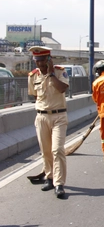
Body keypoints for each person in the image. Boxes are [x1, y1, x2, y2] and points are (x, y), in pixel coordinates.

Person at [27, 46, 69, 198]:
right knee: (46, 151)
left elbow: (63, 88)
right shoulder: (32, 76)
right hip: (42, 117)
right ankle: (49, 177)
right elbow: (34, 95)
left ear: (49, 59)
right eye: (37, 60)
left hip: (59, 116)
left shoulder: (59, 72)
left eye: (43, 60)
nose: (39, 63)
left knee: (57, 150)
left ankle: (59, 183)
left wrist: (51, 74)